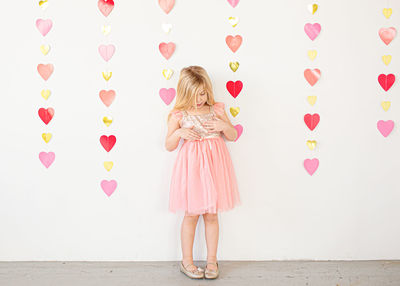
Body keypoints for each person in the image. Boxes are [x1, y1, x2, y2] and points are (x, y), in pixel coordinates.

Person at [165, 65, 241, 279]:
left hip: (215, 168)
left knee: (211, 215)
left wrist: (223, 126)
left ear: (207, 89)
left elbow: (233, 134)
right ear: (184, 94)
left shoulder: (216, 109)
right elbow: (169, 145)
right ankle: (186, 262)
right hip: (192, 170)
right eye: (194, 94)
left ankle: (211, 260)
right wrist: (179, 131)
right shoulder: (179, 115)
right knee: (191, 215)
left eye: (202, 93)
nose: (199, 99)